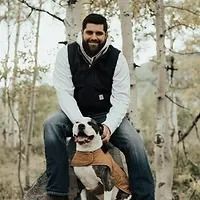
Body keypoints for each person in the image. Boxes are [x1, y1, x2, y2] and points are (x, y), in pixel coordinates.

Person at [44, 13, 155, 200]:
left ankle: (144, 196)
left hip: (106, 114)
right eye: (89, 32)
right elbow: (64, 93)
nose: (94, 37)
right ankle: (57, 192)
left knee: (134, 143)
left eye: (98, 33)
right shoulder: (66, 54)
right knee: (51, 125)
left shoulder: (117, 58)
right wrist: (81, 125)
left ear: (106, 34)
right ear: (82, 32)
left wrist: (109, 126)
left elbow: (121, 99)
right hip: (75, 115)